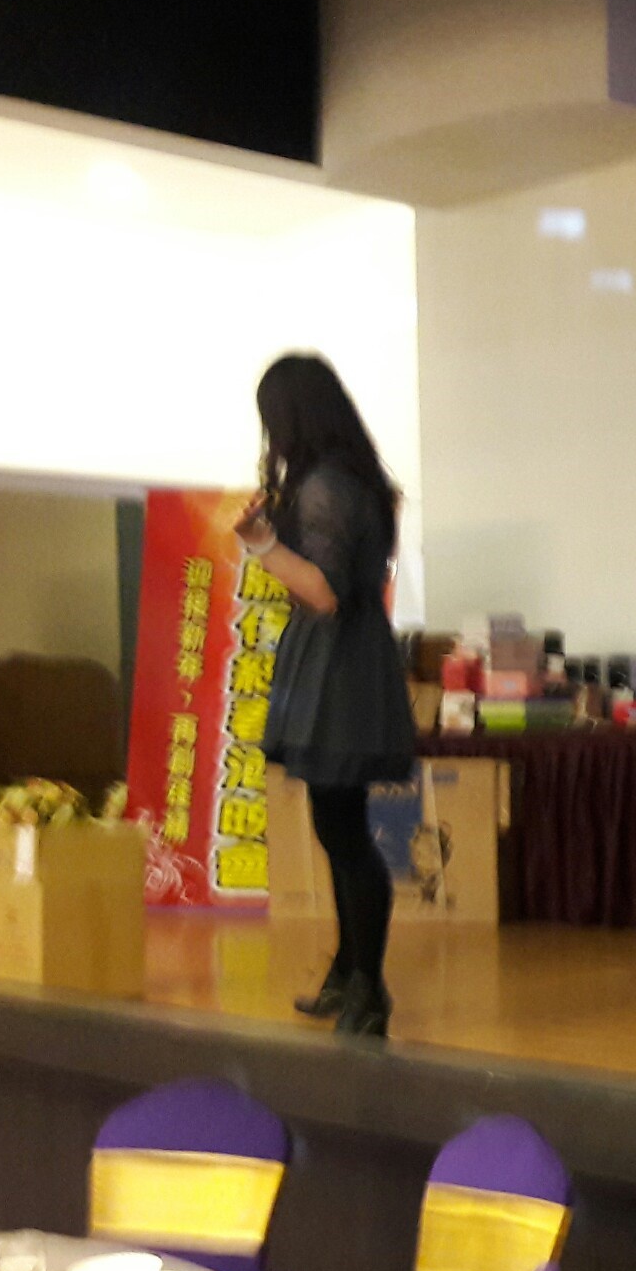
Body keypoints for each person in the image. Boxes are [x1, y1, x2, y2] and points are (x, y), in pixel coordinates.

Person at [237, 354, 418, 1041]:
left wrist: (261, 544)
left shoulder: (326, 486)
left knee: (343, 831)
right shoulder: (354, 479)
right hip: (347, 662)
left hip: (340, 670)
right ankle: (349, 971)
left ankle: (368, 987)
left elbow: (323, 591)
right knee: (338, 825)